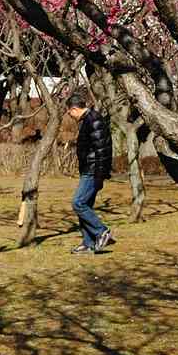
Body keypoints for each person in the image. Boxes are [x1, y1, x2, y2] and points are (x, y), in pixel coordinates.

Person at [65, 90, 114, 253]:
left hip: (93, 171)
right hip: (89, 169)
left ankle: (102, 231)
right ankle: (88, 243)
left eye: (69, 112)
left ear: (74, 109)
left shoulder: (93, 120)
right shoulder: (89, 120)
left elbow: (103, 150)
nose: (69, 115)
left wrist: (100, 176)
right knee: (86, 205)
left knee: (78, 203)